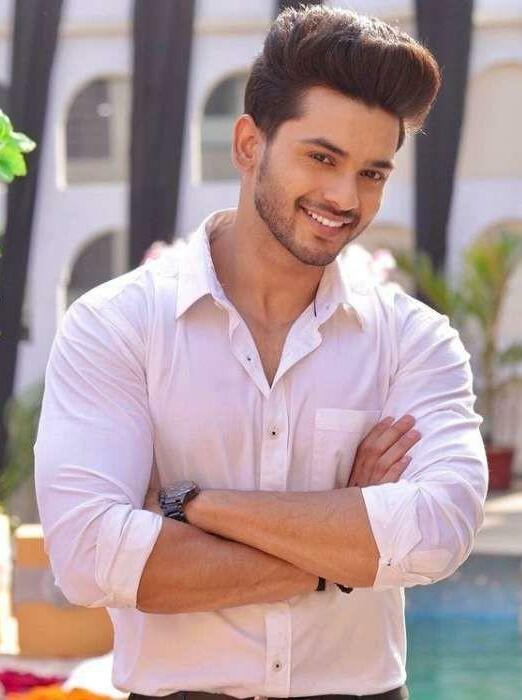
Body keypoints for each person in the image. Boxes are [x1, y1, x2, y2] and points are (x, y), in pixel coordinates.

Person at [34, 6, 488, 700]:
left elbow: (436, 535)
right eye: (321, 158)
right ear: (249, 144)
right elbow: (91, 559)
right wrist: (345, 537)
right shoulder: (116, 325)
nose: (344, 197)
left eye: (372, 173)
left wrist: (192, 505)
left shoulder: (414, 341)